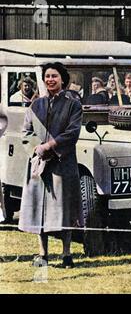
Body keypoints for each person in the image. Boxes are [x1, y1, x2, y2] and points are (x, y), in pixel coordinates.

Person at [18, 62, 83, 268]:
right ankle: (42, 254)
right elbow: (26, 133)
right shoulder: (35, 105)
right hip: (39, 164)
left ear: (62, 79)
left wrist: (50, 147)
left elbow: (72, 133)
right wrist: (37, 149)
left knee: (64, 209)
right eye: (47, 76)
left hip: (63, 163)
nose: (50, 80)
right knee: (39, 209)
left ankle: (66, 255)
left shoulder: (73, 104)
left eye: (54, 76)